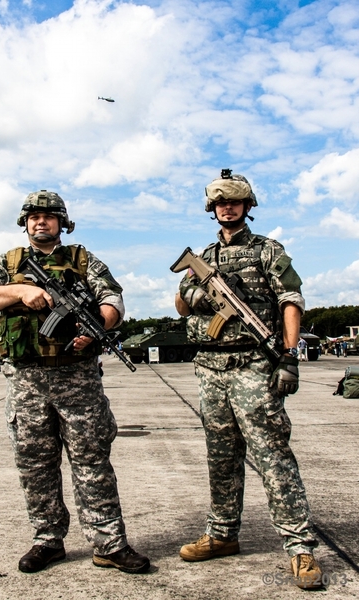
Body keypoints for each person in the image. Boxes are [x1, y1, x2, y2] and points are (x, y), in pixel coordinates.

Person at [0, 190, 150, 575]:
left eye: (49, 216)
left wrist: (98, 327)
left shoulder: (83, 260)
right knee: (35, 464)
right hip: (26, 381)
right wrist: (21, 290)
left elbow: (113, 299)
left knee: (92, 461)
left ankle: (108, 543)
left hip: (78, 379)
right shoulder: (8, 263)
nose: (40, 222)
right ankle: (47, 541)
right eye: (33, 217)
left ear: (62, 223)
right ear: (25, 223)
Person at [174, 170, 322, 589]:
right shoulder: (204, 255)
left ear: (247, 207)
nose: (227, 208)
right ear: (212, 209)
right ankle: (222, 534)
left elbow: (290, 301)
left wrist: (289, 356)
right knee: (220, 457)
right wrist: (195, 295)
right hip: (210, 369)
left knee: (272, 456)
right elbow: (183, 307)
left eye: (234, 202)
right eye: (220, 203)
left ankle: (300, 547)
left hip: (254, 365)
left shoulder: (267, 251)